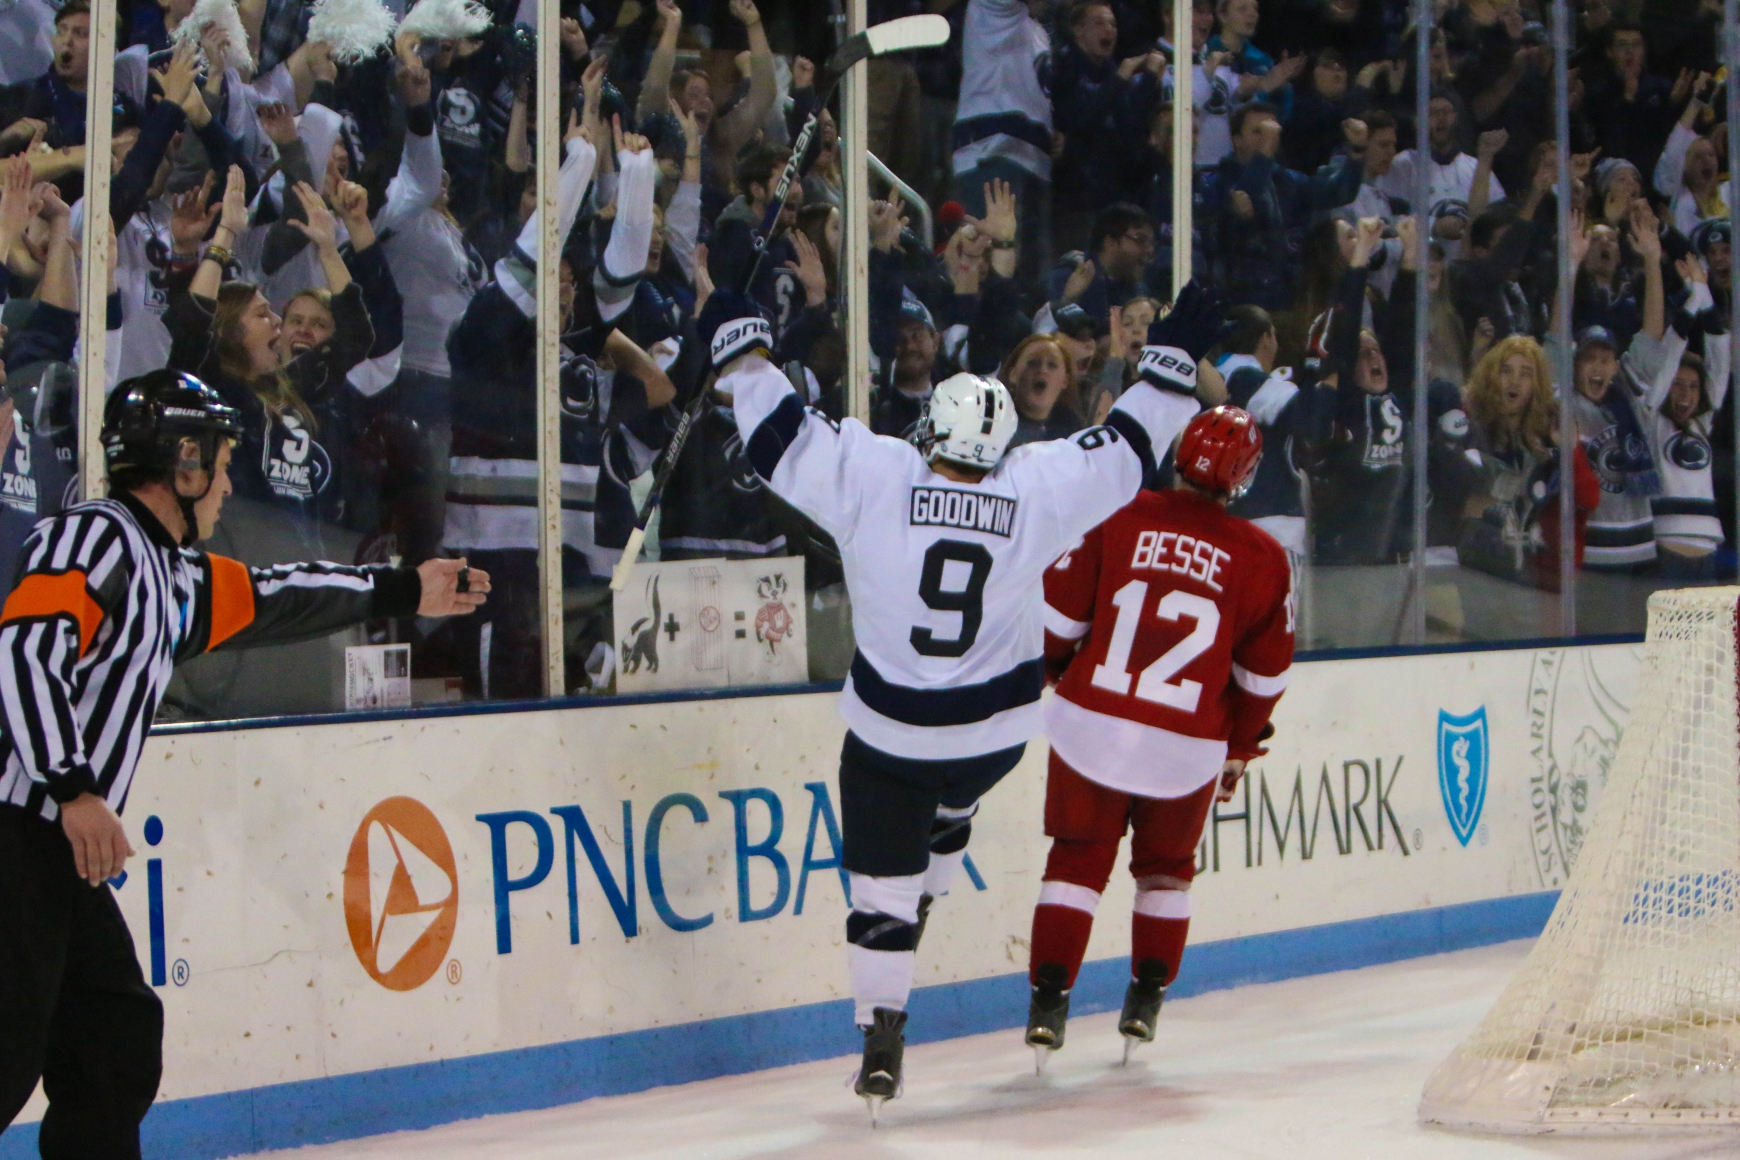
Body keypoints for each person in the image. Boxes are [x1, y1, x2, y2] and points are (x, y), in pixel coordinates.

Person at [719, 279, 1223, 1117]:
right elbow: (1134, 446)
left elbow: (775, 437)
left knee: (878, 895)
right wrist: (1168, 366)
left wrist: (739, 343)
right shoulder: (1035, 484)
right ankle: (942, 845)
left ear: (930, 433)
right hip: (991, 737)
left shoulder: (876, 474)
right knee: (952, 800)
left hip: (891, 735)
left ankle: (882, 1034)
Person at [0, 369, 487, 1156]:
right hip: (19, 830)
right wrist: (74, 786)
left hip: (51, 847)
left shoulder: (171, 574)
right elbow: (25, 653)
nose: (229, 483)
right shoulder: (93, 537)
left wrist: (404, 587)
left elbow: (277, 597)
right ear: (181, 463)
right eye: (220, 463)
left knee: (113, 1035)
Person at [1025, 405, 1292, 1067]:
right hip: (1187, 743)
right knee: (1167, 873)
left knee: (1076, 863)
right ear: (1244, 478)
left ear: (1178, 452)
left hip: (1092, 722)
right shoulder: (1261, 555)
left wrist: (1056, 671)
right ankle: (1145, 998)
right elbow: (1263, 678)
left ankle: (1048, 1004)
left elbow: (1055, 620)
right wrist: (1241, 746)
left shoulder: (1114, 512)